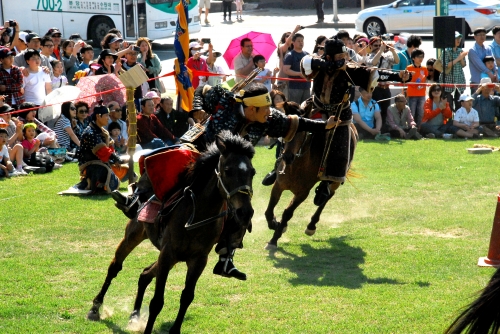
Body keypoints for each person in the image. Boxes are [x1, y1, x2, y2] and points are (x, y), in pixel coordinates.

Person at [112, 82, 342, 280]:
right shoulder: (224, 99)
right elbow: (201, 90)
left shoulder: (269, 119)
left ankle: (226, 257)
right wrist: (199, 111)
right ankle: (135, 199)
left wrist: (324, 125)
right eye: (264, 109)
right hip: (198, 151)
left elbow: (297, 123)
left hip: (228, 167)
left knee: (240, 204)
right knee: (170, 158)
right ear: (251, 108)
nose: (269, 112)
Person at [263, 38, 410, 198]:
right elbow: (306, 62)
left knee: (341, 144)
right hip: (315, 107)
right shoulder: (317, 64)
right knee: (292, 127)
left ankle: (327, 183)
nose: (344, 58)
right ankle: (278, 166)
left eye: (344, 55)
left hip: (339, 114)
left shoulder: (349, 70)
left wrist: (398, 76)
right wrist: (331, 66)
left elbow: (374, 73)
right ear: (329, 57)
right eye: (340, 55)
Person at [75, 103, 123, 193]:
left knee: (124, 168)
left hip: (102, 161)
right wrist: (115, 158)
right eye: (106, 116)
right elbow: (102, 151)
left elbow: (110, 148)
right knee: (104, 170)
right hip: (90, 164)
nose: (108, 118)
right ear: (98, 116)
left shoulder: (102, 131)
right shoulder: (90, 132)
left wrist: (115, 159)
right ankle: (89, 182)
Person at [366, 36, 400, 128]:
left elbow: (397, 61)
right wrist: (380, 50)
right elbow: (373, 63)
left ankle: (383, 129)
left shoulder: (386, 56)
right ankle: (374, 128)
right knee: (376, 110)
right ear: (370, 46)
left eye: (379, 45)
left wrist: (392, 50)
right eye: (375, 45)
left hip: (386, 88)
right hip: (375, 89)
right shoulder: (369, 57)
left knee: (385, 110)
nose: (377, 47)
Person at [439, 31, 467, 111]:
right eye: (456, 38)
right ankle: (450, 120)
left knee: (459, 102)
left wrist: (461, 58)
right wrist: (458, 58)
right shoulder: (446, 51)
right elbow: (446, 65)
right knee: (448, 103)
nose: (458, 40)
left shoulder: (460, 50)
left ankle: (458, 119)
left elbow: (463, 65)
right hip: (448, 80)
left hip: (459, 79)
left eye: (459, 38)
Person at [275, 26, 302, 99]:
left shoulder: (296, 50)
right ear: (284, 38)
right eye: (287, 36)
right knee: (284, 101)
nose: (290, 37)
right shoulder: (282, 48)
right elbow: (287, 43)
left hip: (293, 81)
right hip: (284, 81)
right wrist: (294, 31)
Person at [283, 33, 311, 104]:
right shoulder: (290, 55)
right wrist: (299, 74)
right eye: (298, 41)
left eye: (302, 41)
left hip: (306, 86)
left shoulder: (307, 54)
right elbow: (286, 70)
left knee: (306, 107)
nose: (301, 43)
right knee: (295, 107)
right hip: (295, 87)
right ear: (293, 42)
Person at [406, 48, 427, 127]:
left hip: (422, 94)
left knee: (421, 113)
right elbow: (406, 81)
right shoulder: (409, 68)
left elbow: (426, 80)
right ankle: (411, 128)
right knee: (412, 112)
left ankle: (419, 129)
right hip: (412, 94)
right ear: (413, 58)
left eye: (422, 57)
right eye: (418, 57)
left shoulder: (424, 69)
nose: (420, 59)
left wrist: (422, 85)